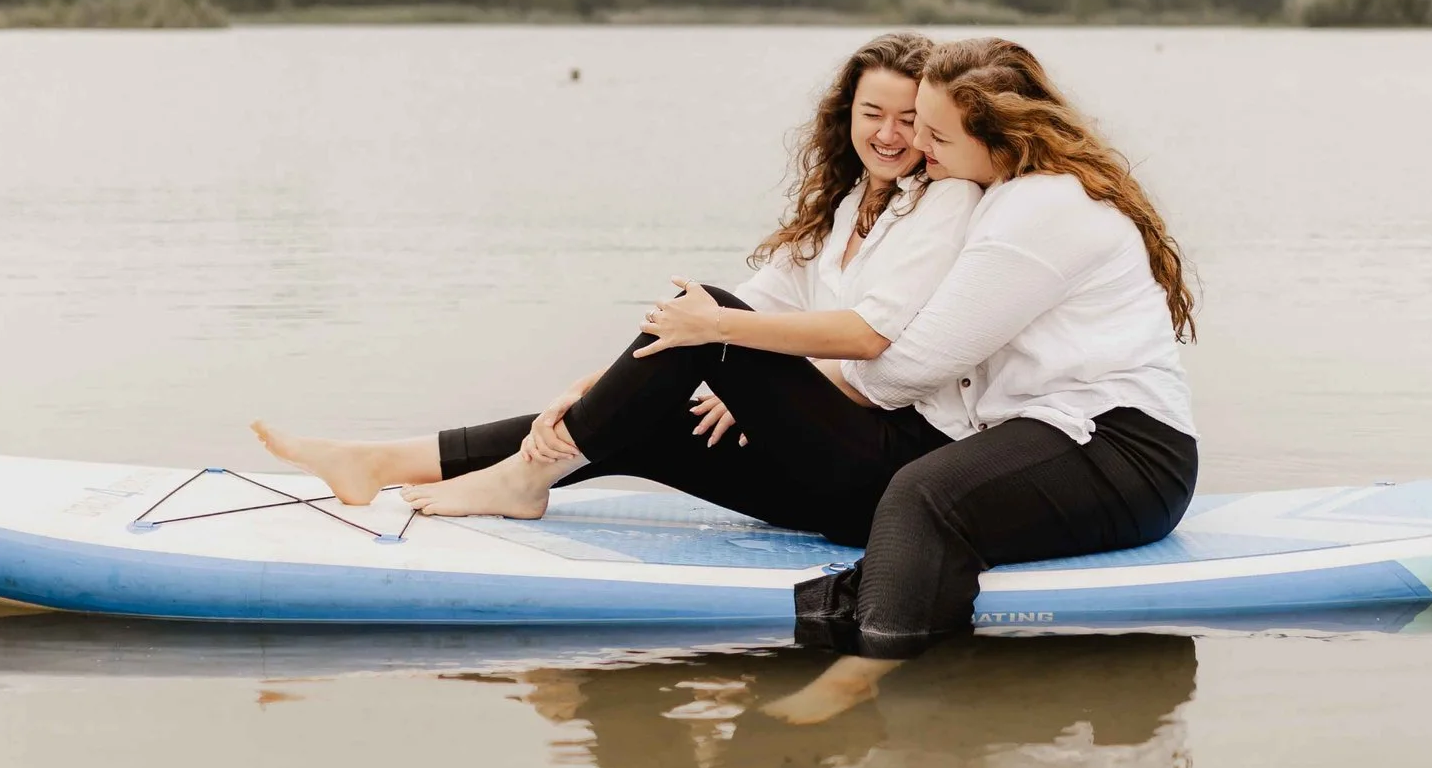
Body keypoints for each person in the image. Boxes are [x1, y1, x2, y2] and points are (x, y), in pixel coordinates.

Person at [251, 31, 979, 542]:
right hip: (821, 471)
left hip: (887, 473)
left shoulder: (944, 202)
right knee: (641, 415)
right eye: (871, 113)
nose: (888, 134)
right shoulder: (852, 205)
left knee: (710, 314)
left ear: (935, 125)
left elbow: (866, 335)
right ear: (845, 115)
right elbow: (761, 305)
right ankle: (377, 461)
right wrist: (594, 384)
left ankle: (516, 483)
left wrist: (724, 342)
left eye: (909, 121)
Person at [769, 37, 1199, 719]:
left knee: (923, 497)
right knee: (919, 492)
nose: (921, 149)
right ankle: (877, 639)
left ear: (997, 136)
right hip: (1060, 433)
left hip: (1128, 450)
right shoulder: (1010, 194)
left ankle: (864, 675)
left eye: (936, 134)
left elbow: (910, 365)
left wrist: (783, 381)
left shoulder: (1037, 211)